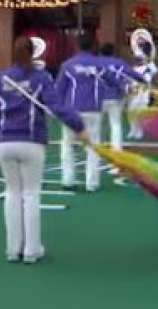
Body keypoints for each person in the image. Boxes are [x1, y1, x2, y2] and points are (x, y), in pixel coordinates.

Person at [0, 36, 89, 263]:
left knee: (12, 193)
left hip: (5, 142)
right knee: (31, 195)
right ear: (34, 52)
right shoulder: (42, 78)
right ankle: (32, 250)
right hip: (32, 141)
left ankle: (12, 249)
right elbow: (57, 107)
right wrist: (79, 127)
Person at [56, 32, 130, 191]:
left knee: (68, 145)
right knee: (93, 146)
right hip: (93, 109)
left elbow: (59, 90)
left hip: (72, 110)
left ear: (77, 45)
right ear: (93, 46)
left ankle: (68, 180)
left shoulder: (68, 65)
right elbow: (114, 82)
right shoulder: (100, 65)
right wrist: (122, 91)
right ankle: (92, 183)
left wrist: (58, 109)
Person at [97, 43, 148, 152]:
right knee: (115, 123)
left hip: (99, 97)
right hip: (116, 96)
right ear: (113, 52)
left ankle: (96, 147)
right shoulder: (119, 63)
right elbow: (132, 73)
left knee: (97, 123)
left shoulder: (96, 63)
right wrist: (143, 80)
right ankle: (117, 149)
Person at [127, 50, 158, 140]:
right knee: (131, 112)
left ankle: (140, 131)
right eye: (135, 59)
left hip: (143, 94)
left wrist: (150, 60)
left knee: (141, 113)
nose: (136, 61)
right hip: (133, 94)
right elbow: (128, 80)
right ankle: (133, 130)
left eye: (138, 59)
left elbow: (154, 71)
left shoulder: (147, 69)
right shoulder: (131, 69)